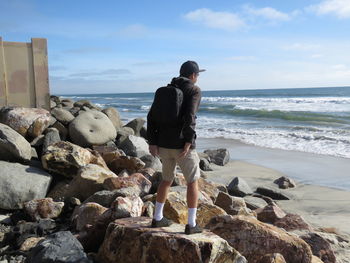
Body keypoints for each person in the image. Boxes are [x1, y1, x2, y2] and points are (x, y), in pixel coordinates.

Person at [147, 60, 205, 235]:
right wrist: (189, 141)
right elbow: (190, 116)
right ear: (193, 75)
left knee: (166, 180)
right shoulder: (194, 90)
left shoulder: (165, 90)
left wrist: (152, 141)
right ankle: (191, 224)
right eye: (198, 75)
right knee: (192, 182)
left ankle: (157, 218)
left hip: (163, 145)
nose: (198, 78)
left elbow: (151, 116)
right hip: (182, 146)